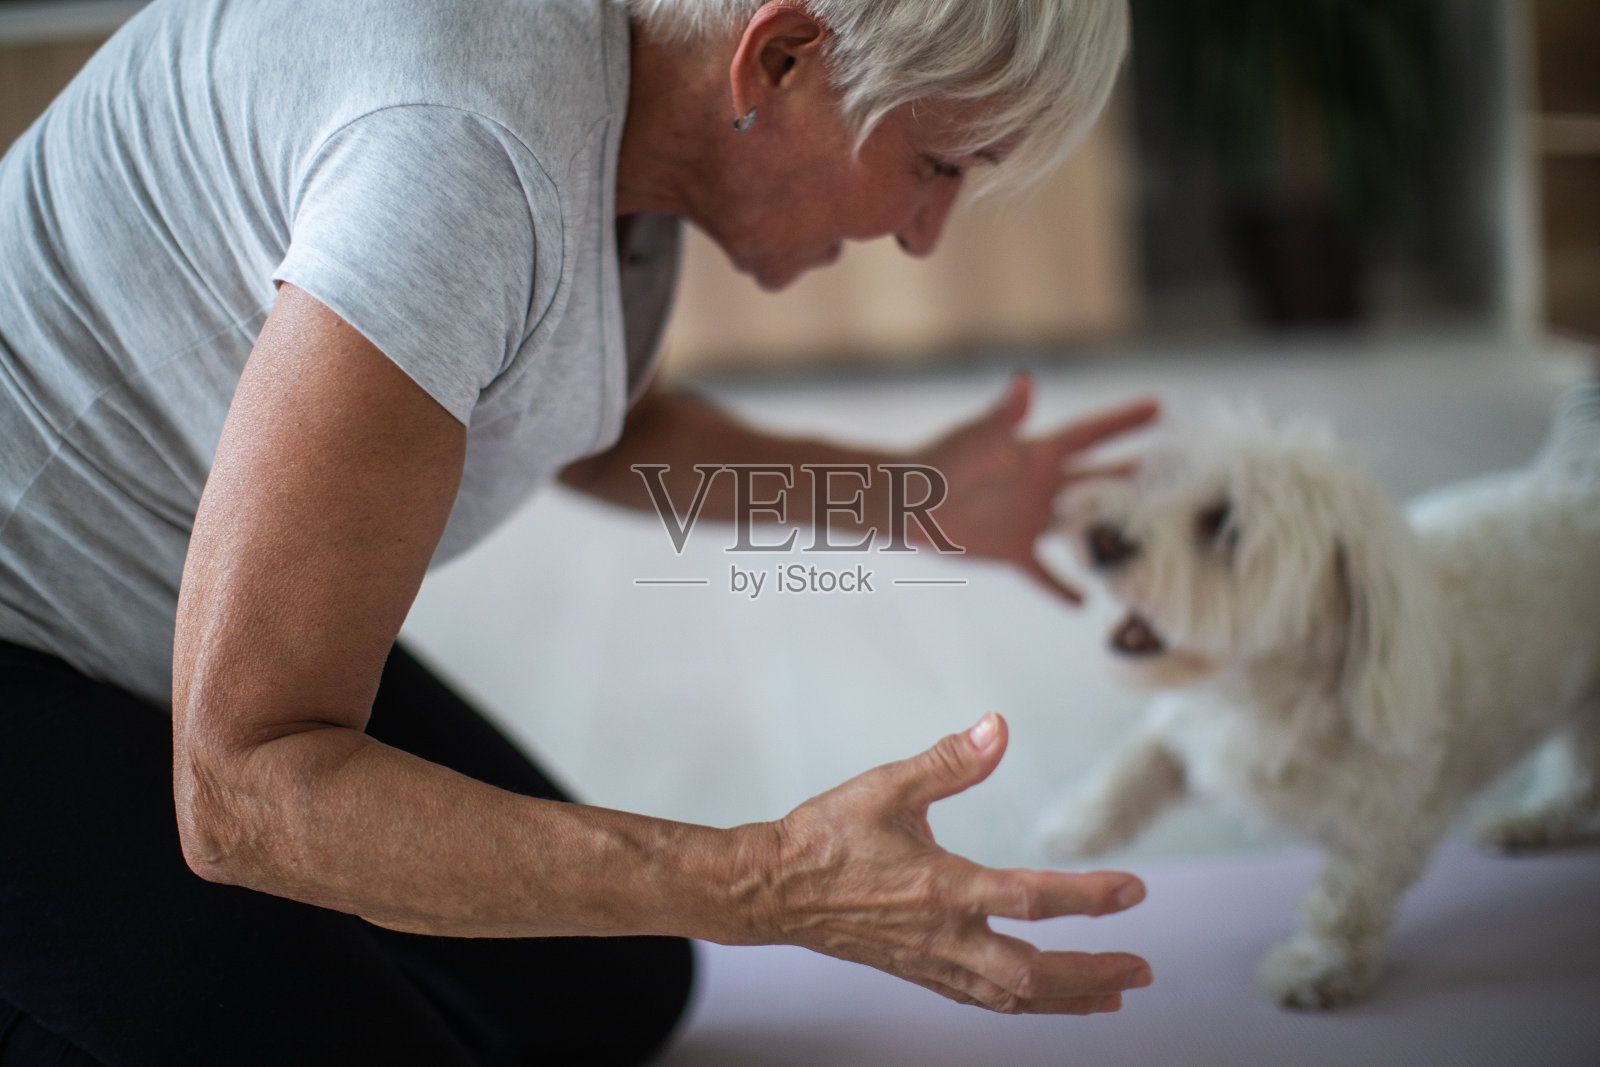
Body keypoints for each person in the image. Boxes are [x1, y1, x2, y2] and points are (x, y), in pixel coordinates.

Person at [0, 0, 1160, 1063]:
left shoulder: (616, 109)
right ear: (782, 56)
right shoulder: (463, 153)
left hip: (168, 626)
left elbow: (593, 423)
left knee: (611, 991)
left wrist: (908, 499)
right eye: (938, 164)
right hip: (36, 654)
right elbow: (246, 789)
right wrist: (781, 879)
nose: (925, 233)